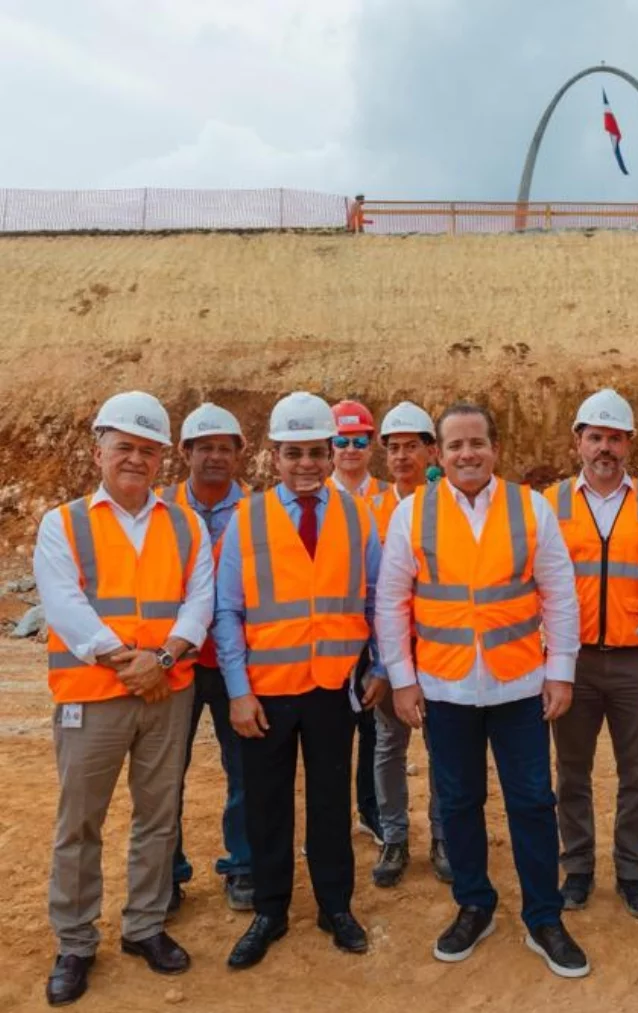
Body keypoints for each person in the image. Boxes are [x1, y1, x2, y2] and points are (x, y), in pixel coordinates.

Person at [375, 401, 591, 978]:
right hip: (444, 689)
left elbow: (559, 593)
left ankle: (544, 916)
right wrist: (402, 680)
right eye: (454, 446)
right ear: (437, 456)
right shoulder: (412, 515)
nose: (466, 454)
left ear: (495, 448)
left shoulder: (530, 508)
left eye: (477, 443)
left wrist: (561, 669)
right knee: (460, 801)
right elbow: (392, 602)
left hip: (519, 686)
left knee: (531, 803)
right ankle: (474, 904)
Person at [35, 391, 214, 1006]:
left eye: (146, 450)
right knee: (78, 823)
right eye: (124, 448)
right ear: (99, 452)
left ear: (162, 458)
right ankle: (76, 941)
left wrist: (161, 661)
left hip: (166, 690)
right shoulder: (64, 522)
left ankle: (144, 926)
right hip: (95, 693)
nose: (135, 459)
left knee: (158, 817)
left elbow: (200, 601)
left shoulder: (186, 524)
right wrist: (132, 663)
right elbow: (65, 604)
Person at [216, 392, 388, 970]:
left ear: (334, 450)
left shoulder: (358, 516)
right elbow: (228, 612)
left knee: (330, 803)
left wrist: (383, 667)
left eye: (319, 451)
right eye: (295, 454)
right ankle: (270, 909)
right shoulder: (248, 519)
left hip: (332, 690)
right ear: (275, 456)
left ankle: (335, 906)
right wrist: (238, 690)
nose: (308, 464)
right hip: (266, 694)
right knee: (266, 805)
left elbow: (375, 601)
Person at [547, 389, 638, 919]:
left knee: (636, 772)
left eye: (614, 438)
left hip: (634, 662)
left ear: (629, 444)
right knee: (571, 771)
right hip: (572, 664)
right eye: (595, 437)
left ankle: (632, 871)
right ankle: (578, 868)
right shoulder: (549, 505)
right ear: (578, 443)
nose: (605, 448)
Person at [162, 403, 253, 914]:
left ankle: (243, 865)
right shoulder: (161, 509)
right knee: (166, 771)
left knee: (243, 769)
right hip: (173, 662)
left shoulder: (259, 512)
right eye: (205, 447)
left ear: (240, 454)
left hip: (235, 663)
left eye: (225, 447)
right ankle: (167, 871)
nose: (215, 456)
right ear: (185, 453)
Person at [368, 401, 450, 888]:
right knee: (388, 746)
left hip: (442, 651)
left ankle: (442, 837)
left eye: (411, 447)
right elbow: (369, 593)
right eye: (393, 448)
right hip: (389, 656)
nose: (401, 457)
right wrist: (381, 663)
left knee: (443, 750)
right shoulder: (369, 510)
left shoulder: (449, 503)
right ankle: (394, 837)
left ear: (430, 451)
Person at [329, 398, 385, 845]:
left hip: (373, 628)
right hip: (328, 629)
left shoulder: (386, 499)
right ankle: (328, 821)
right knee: (328, 731)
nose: (350, 449)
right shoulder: (316, 497)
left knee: (374, 725)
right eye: (342, 441)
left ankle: (372, 809)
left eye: (359, 441)